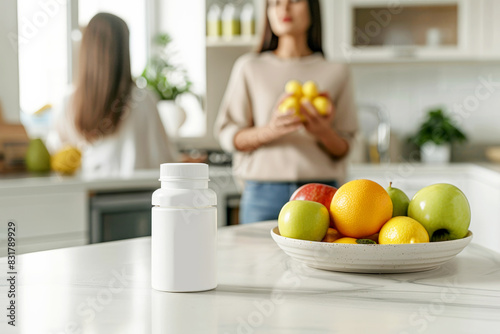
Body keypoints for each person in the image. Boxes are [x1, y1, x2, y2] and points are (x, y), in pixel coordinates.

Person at [214, 0, 358, 224]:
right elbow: (228, 135)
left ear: (312, 9)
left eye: (294, 1)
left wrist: (323, 132)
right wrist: (270, 131)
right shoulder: (250, 67)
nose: (284, 9)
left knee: (318, 260)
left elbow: (346, 146)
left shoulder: (337, 71)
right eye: (274, 3)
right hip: (262, 194)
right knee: (258, 260)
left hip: (323, 193)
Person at [47, 13, 176, 177]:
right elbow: (164, 162)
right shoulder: (142, 99)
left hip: (87, 199)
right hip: (137, 198)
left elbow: (58, 160)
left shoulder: (68, 102)